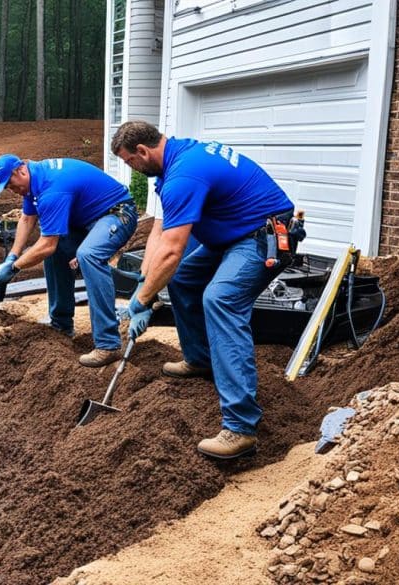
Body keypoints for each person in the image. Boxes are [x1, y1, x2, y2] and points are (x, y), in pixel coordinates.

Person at [110, 120, 297, 459]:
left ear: (142, 151)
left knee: (221, 300)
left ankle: (241, 428)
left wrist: (141, 302)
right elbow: (160, 234)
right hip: (233, 233)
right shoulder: (175, 163)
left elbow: (173, 250)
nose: (132, 170)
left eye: (129, 162)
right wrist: (144, 283)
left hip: (263, 236)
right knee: (182, 279)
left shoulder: (184, 175)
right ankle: (201, 360)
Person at [0, 154, 138, 367]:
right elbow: (27, 218)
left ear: (20, 171)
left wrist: (14, 268)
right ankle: (61, 324)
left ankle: (108, 344)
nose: (11, 190)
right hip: (84, 220)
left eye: (10, 184)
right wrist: (11, 256)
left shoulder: (52, 189)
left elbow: (46, 244)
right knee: (58, 251)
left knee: (89, 254)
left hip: (117, 213)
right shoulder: (33, 181)